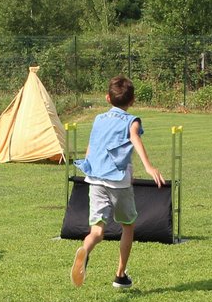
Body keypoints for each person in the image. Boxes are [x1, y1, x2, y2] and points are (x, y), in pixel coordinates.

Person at [71, 75, 166, 289]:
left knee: (96, 231)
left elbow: (92, 145)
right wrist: (149, 166)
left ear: (107, 98)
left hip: (95, 177)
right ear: (132, 101)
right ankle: (120, 275)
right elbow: (135, 139)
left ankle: (85, 250)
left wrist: (88, 165)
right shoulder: (132, 120)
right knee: (128, 225)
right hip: (118, 181)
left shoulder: (98, 119)